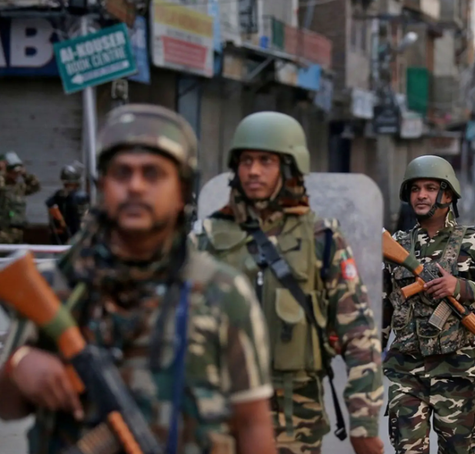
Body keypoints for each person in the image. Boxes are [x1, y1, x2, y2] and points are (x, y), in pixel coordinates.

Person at [0, 104, 277, 454]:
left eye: (153, 174)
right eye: (121, 173)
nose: (135, 186)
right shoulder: (59, 284)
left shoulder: (222, 293)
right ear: (102, 187)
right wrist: (21, 365)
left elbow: (253, 423)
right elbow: (7, 407)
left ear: (181, 192)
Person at [192, 112, 384, 454]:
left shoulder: (322, 239)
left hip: (296, 421)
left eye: (266, 161)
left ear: (290, 167)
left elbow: (359, 334)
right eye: (246, 161)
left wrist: (363, 421)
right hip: (219, 415)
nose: (253, 171)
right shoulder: (207, 239)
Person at [382, 155, 475, 453]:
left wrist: (460, 287)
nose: (421, 195)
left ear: (448, 195)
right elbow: (384, 306)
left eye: (430, 188)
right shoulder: (396, 244)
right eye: (415, 189)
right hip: (407, 371)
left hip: (457, 372)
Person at [0, 151, 41, 244]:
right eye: (13, 172)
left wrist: (25, 174)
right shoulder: (2, 185)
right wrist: (2, 172)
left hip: (17, 233)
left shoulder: (19, 188)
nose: (15, 175)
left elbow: (35, 186)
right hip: (3, 232)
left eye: (17, 173)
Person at [45, 164, 90, 244]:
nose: (67, 186)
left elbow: (82, 218)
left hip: (75, 234)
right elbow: (49, 203)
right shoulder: (59, 195)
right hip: (61, 234)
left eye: (69, 184)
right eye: (66, 184)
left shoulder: (79, 197)